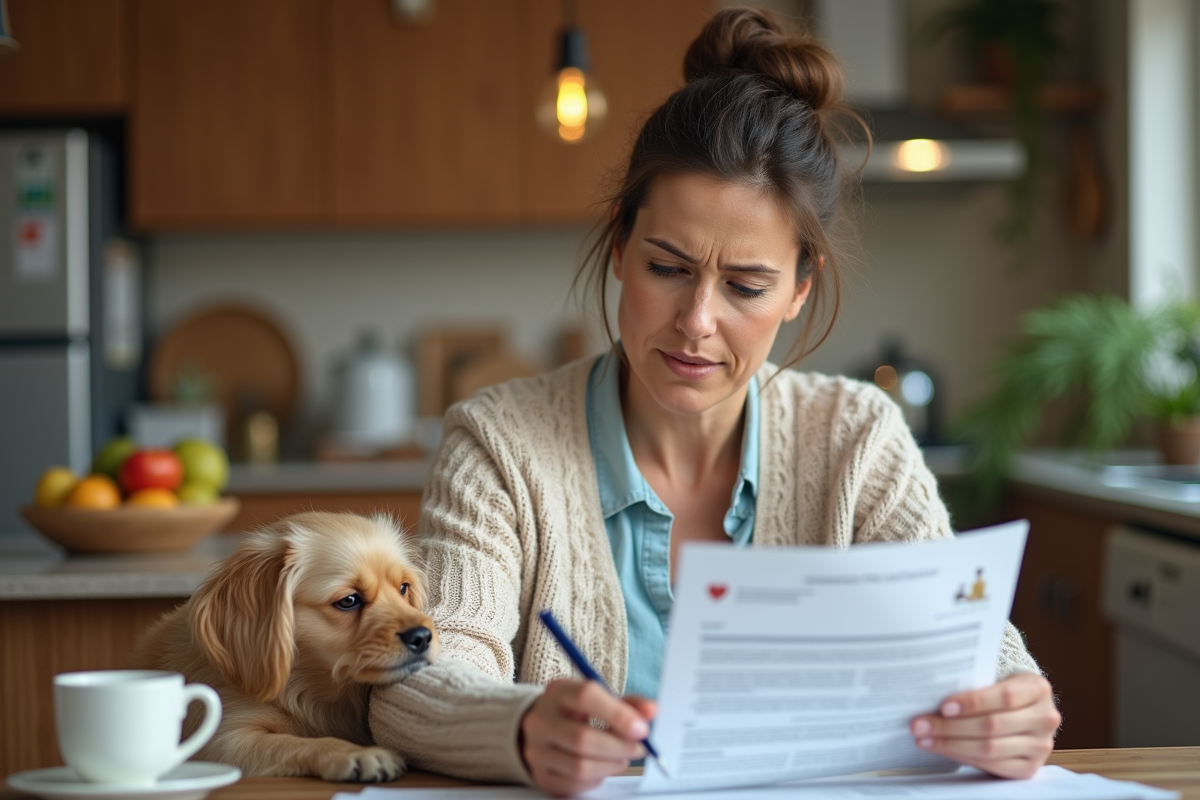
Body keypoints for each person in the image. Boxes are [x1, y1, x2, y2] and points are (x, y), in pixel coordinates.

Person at [370, 6, 1059, 796]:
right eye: (668, 268)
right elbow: (417, 678)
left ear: (800, 287)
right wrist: (522, 728)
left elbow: (973, 658)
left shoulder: (858, 437)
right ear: (622, 247)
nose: (697, 322)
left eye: (745, 285)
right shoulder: (498, 443)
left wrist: (1012, 707)